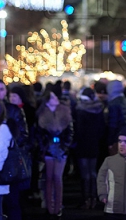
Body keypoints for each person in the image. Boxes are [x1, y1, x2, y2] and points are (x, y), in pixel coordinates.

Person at [33, 84, 73, 219]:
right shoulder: (42, 113)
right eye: (53, 97)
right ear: (48, 100)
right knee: (48, 178)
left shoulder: (65, 111)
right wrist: (44, 145)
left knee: (57, 177)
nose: (56, 98)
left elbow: (70, 132)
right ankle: (50, 207)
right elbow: (38, 133)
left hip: (61, 149)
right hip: (48, 149)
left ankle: (58, 206)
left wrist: (64, 146)